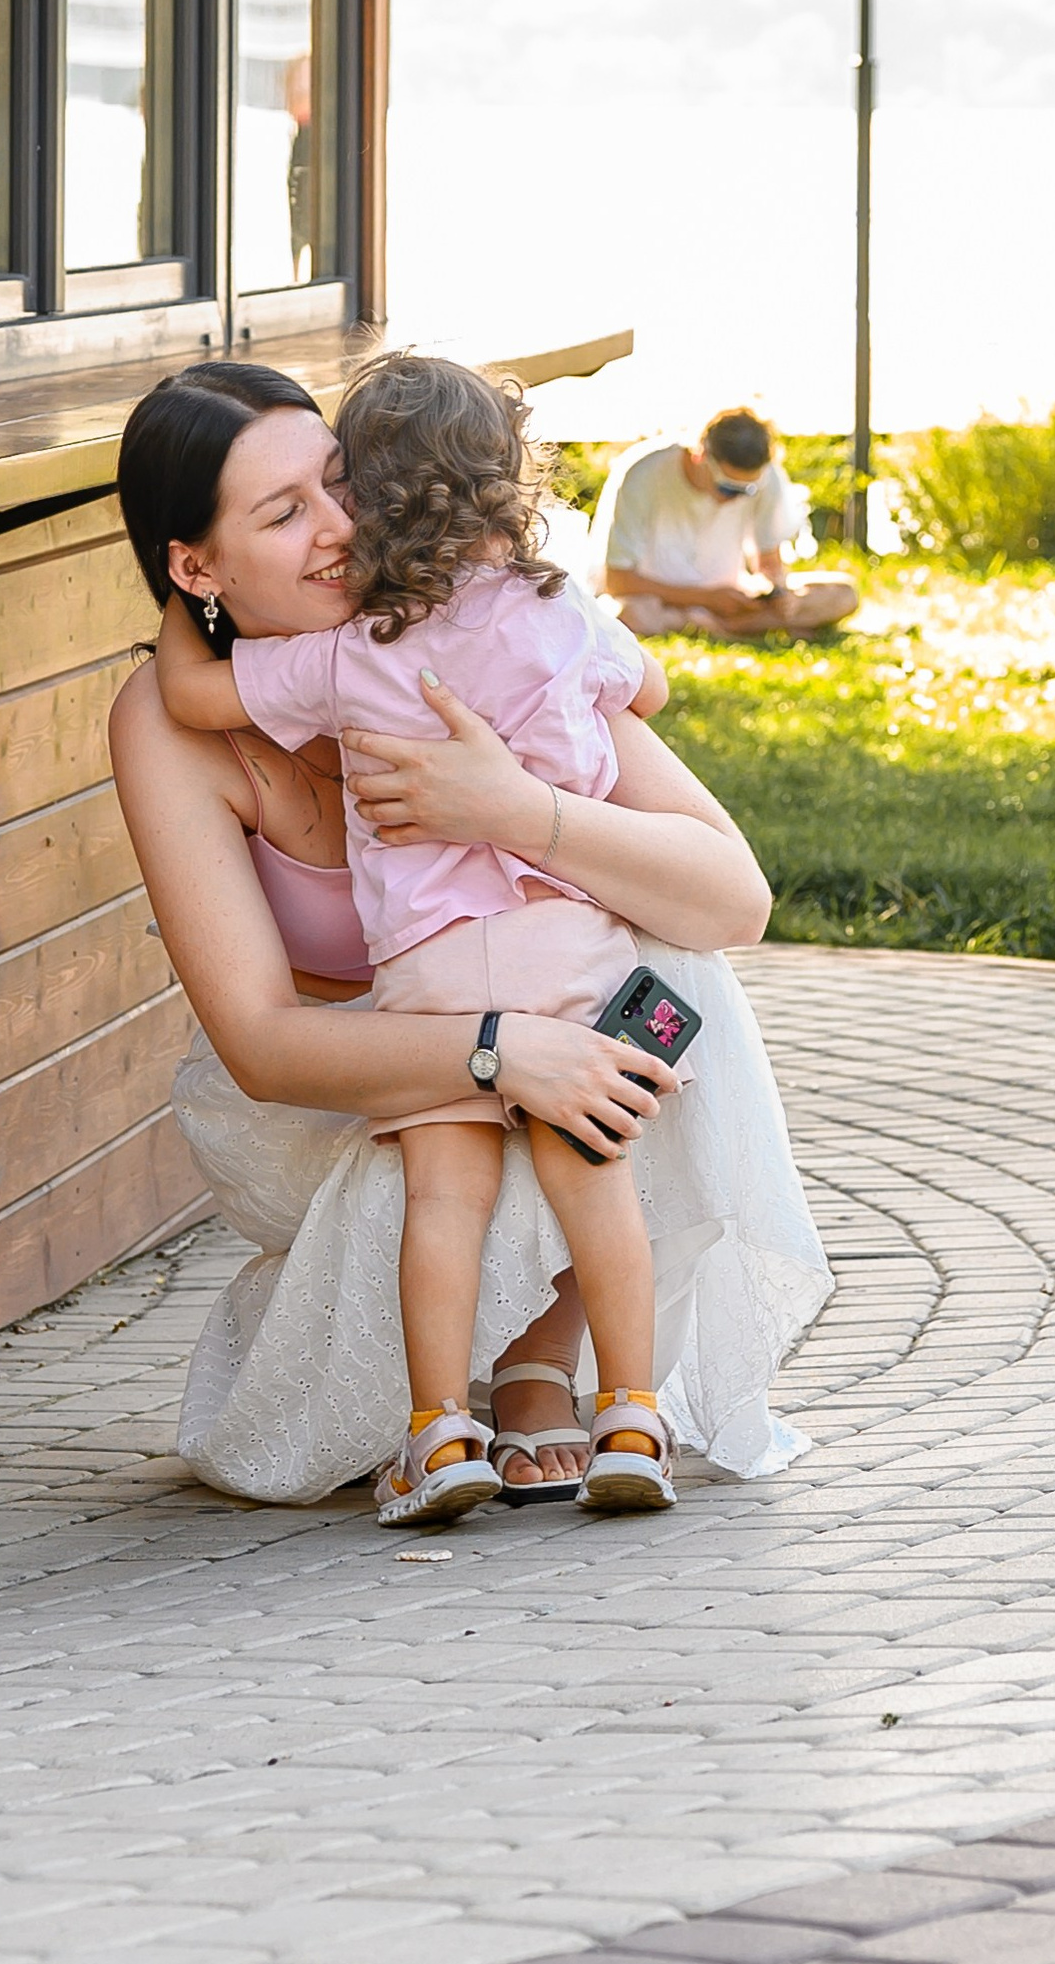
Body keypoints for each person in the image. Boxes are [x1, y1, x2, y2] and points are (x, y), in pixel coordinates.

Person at [108, 359, 833, 1511]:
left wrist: (515, 810)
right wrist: (499, 1048)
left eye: (343, 482)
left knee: (666, 968)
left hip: (541, 1038)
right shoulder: (182, 715)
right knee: (531, 1071)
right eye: (285, 512)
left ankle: (547, 1360)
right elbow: (260, 1039)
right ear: (193, 565)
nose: (342, 526)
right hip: (353, 1085)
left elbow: (730, 899)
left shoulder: (482, 633)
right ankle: (453, 1395)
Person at [597, 408, 859, 638]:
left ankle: (713, 626)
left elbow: (768, 562)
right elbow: (618, 581)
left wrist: (779, 591)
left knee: (845, 594)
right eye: (728, 489)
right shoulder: (643, 473)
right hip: (658, 600)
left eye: (747, 491)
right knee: (628, 614)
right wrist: (706, 599)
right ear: (700, 457)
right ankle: (739, 628)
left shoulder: (767, 475)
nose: (736, 499)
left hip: (732, 597)